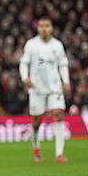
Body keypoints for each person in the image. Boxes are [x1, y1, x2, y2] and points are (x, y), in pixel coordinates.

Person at [19, 17, 71, 164]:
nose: (44, 28)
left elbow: (63, 64)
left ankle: (59, 154)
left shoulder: (57, 45)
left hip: (55, 88)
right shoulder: (31, 45)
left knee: (59, 114)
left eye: (47, 26)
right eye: (41, 26)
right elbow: (23, 63)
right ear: (37, 28)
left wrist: (66, 82)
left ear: (52, 28)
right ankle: (36, 148)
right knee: (37, 120)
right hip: (36, 89)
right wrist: (25, 78)